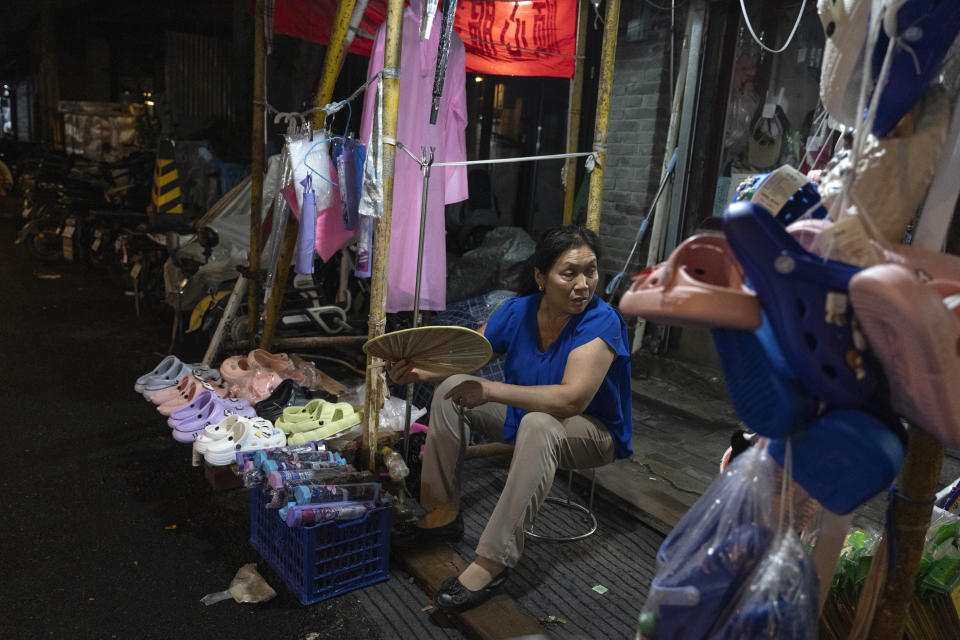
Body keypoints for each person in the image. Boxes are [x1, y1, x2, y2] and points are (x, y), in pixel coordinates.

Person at [387, 225, 633, 612]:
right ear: (540, 277)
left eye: (591, 271)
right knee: (452, 388)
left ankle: (492, 560)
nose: (584, 284)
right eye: (570, 273)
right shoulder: (518, 311)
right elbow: (469, 358)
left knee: (539, 423)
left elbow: (571, 399)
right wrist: (421, 371)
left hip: (591, 431)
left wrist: (490, 391)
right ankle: (443, 511)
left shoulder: (601, 322)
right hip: (531, 417)